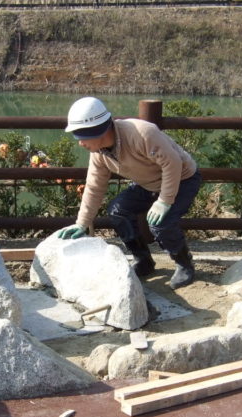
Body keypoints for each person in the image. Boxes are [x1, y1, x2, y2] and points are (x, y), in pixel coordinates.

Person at [56, 97, 202, 289]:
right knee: (118, 211)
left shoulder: (141, 133)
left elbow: (172, 163)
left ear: (98, 131)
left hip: (182, 179)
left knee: (162, 224)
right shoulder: (99, 153)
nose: (80, 143)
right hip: (148, 184)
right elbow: (94, 186)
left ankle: (184, 264)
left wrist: (165, 200)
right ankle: (143, 260)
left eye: (81, 136)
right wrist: (82, 223)